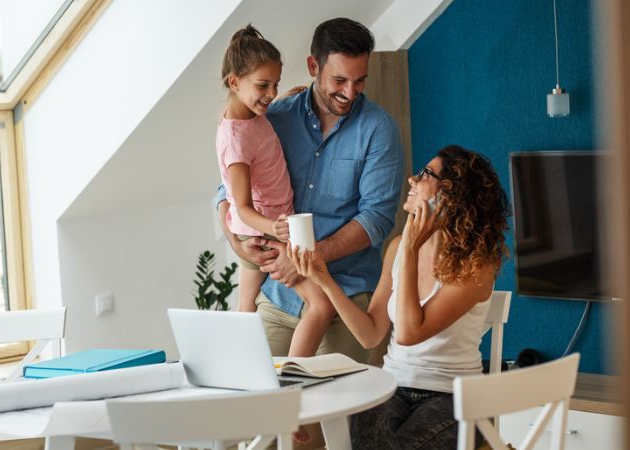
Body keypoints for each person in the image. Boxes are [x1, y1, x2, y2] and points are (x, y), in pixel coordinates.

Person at [288, 145, 510, 449]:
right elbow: (371, 334)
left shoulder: (476, 265)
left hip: (453, 398)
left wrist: (411, 246)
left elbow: (407, 333)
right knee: (353, 430)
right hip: (391, 386)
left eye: (426, 174)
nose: (412, 180)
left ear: (451, 193)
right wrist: (323, 278)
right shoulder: (397, 248)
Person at [216, 17, 404, 364]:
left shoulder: (379, 130)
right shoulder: (275, 116)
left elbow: (376, 220)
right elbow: (227, 189)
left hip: (344, 292)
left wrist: (308, 257)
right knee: (253, 399)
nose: (350, 93)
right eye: (339, 80)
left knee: (326, 412)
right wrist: (238, 243)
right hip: (279, 292)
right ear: (312, 66)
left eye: (359, 81)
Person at [216, 25, 336, 357]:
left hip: (266, 227)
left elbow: (259, 135)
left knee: (246, 309)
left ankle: (242, 373)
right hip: (263, 231)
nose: (269, 93)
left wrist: (281, 101)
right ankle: (292, 379)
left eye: (275, 85)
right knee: (320, 306)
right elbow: (239, 206)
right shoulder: (235, 141)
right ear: (235, 82)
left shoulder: (252, 117)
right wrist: (275, 231)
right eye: (262, 86)